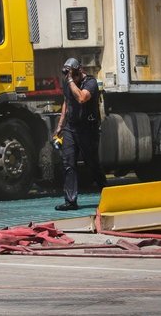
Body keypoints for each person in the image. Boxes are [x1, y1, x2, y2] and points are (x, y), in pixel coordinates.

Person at [54, 57, 107, 211]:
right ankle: (70, 201)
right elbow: (67, 102)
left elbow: (81, 98)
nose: (72, 78)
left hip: (87, 128)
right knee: (68, 163)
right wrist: (60, 125)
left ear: (80, 71)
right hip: (71, 127)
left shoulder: (90, 83)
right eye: (70, 75)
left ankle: (108, 193)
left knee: (93, 164)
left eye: (74, 75)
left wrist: (71, 80)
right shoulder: (68, 81)